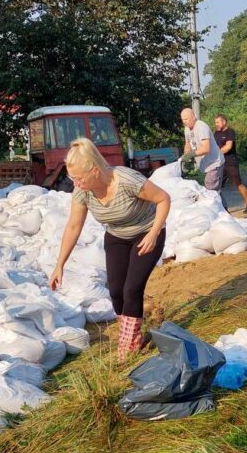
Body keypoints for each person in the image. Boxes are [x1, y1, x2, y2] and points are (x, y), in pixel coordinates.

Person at [50, 138, 171, 360]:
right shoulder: (83, 192)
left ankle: (129, 345)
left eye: (78, 178)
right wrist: (60, 265)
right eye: (71, 178)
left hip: (146, 234)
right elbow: (73, 227)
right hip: (116, 236)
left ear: (95, 171)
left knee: (132, 289)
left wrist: (154, 234)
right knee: (116, 291)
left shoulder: (126, 180)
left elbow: (163, 199)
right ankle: (132, 335)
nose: (74, 183)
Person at [213, 114, 247, 214]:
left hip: (231, 163)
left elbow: (228, 147)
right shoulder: (216, 134)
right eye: (215, 122)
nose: (216, 124)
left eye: (218, 122)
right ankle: (222, 208)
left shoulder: (230, 132)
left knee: (238, 184)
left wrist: (216, 153)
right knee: (216, 187)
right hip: (219, 164)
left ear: (224, 122)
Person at [181, 108, 224, 192]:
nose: (184, 122)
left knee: (210, 188)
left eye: (186, 119)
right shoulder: (186, 129)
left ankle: (216, 204)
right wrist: (186, 155)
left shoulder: (201, 126)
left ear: (193, 117)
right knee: (215, 193)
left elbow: (206, 148)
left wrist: (191, 155)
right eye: (182, 120)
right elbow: (187, 144)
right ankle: (222, 205)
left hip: (214, 163)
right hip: (206, 165)